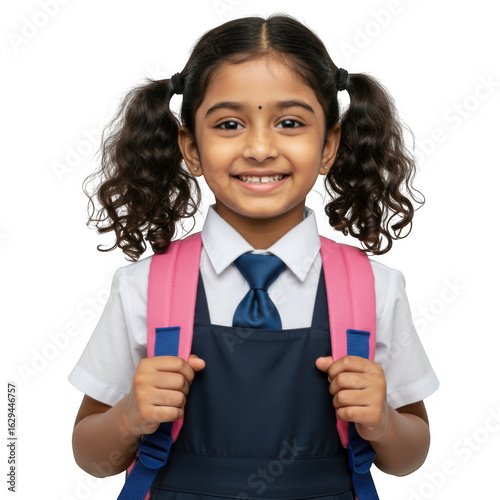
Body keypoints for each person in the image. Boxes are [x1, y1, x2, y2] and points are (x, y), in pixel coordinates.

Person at [69, 13, 439, 499]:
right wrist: (129, 416)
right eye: (229, 124)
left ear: (329, 144)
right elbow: (90, 456)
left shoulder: (376, 288)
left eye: (289, 123)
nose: (260, 148)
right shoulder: (141, 287)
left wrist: (383, 423)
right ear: (191, 148)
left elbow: (408, 458)